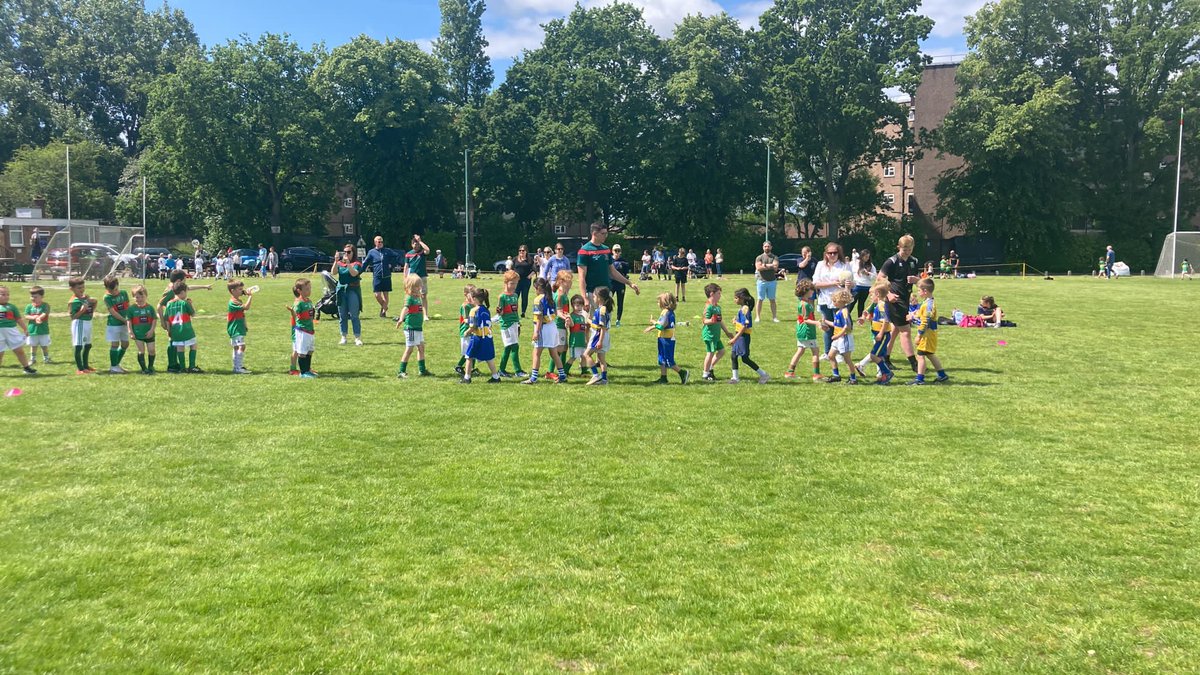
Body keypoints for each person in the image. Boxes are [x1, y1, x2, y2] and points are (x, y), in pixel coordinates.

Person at [878, 234, 921, 372]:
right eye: (904, 249)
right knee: (906, 331)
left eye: (909, 249)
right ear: (899, 247)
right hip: (895, 300)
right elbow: (880, 278)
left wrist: (916, 280)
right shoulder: (891, 261)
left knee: (895, 330)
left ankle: (885, 357)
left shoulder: (914, 261)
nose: (907, 252)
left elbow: (920, 279)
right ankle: (914, 363)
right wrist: (888, 294)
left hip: (905, 299)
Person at [575, 223, 639, 306]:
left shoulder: (606, 249)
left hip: (606, 292)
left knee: (606, 318)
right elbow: (581, 277)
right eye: (603, 233)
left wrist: (629, 283)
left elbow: (613, 272)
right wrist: (584, 297)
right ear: (594, 233)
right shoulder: (584, 251)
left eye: (606, 233)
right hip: (592, 293)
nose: (605, 236)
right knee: (593, 319)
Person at [523, 277, 568, 384]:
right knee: (554, 353)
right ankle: (562, 375)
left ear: (538, 288)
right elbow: (555, 313)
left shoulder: (538, 299)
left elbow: (539, 318)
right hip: (553, 326)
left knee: (536, 353)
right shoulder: (550, 297)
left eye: (535, 288)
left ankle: (533, 378)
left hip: (544, 328)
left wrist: (536, 332)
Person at [910, 278, 949, 385]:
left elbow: (925, 321)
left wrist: (919, 335)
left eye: (919, 290)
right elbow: (921, 315)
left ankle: (920, 379)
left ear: (925, 291)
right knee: (930, 354)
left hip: (926, 334)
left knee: (920, 355)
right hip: (930, 333)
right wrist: (913, 315)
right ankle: (942, 375)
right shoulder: (927, 302)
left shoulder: (928, 305)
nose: (918, 292)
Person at [644, 292, 688, 384]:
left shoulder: (666, 313)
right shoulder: (668, 312)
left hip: (667, 339)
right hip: (663, 338)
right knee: (661, 359)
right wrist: (653, 325)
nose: (657, 303)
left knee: (668, 360)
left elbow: (661, 326)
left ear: (665, 302)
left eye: (659, 301)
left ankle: (682, 373)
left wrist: (652, 324)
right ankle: (663, 378)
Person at [813, 242, 850, 354]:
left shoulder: (844, 265)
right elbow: (815, 283)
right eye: (830, 253)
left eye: (835, 253)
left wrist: (849, 284)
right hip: (824, 300)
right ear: (826, 254)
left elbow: (853, 282)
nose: (832, 255)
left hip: (839, 301)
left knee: (839, 327)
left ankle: (839, 352)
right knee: (827, 327)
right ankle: (827, 352)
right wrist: (832, 283)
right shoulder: (820, 265)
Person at [461, 287, 502, 384]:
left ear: (474, 298)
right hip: (488, 337)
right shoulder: (486, 310)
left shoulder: (473, 310)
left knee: (469, 356)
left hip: (477, 337)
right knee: (489, 358)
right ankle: (495, 377)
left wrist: (466, 332)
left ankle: (467, 377)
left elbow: (473, 326)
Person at [785, 279, 822, 382]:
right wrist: (817, 323)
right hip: (807, 331)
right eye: (811, 290)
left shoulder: (804, 302)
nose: (813, 292)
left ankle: (790, 372)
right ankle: (816, 374)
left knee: (800, 350)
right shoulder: (804, 304)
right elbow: (806, 320)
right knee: (815, 351)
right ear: (806, 291)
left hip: (802, 330)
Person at [729, 288, 769, 384]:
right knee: (733, 355)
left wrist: (735, 338)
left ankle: (764, 374)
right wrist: (736, 322)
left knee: (745, 358)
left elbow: (745, 326)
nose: (734, 300)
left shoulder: (745, 309)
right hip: (740, 335)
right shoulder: (743, 308)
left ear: (742, 298)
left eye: (736, 298)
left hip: (743, 337)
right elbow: (742, 324)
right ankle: (735, 378)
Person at [860, 283, 896, 385]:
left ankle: (887, 373)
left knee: (873, 355)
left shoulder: (881, 305)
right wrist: (869, 318)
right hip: (879, 334)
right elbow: (878, 319)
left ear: (878, 294)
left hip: (883, 335)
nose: (871, 297)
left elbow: (886, 320)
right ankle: (883, 376)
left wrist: (880, 333)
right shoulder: (878, 305)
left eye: (872, 295)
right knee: (879, 356)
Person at [396, 274, 430, 377]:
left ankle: (422, 370)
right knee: (410, 349)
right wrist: (401, 319)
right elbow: (405, 308)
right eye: (417, 286)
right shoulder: (409, 298)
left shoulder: (417, 298)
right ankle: (401, 371)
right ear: (410, 286)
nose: (420, 288)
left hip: (418, 328)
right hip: (410, 328)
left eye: (420, 285)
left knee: (421, 347)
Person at [822, 288, 858, 384]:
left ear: (842, 301)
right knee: (830, 356)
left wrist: (837, 336)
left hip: (844, 338)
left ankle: (853, 379)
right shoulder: (838, 311)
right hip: (838, 338)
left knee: (847, 359)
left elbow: (847, 326)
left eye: (835, 300)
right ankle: (836, 375)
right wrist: (825, 321)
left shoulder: (844, 311)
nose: (833, 302)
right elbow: (836, 324)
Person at [165, 280, 200, 373]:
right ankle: (192, 366)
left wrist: (168, 330)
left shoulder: (169, 304)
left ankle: (182, 368)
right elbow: (193, 314)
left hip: (175, 331)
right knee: (193, 345)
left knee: (180, 347)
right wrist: (190, 303)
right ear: (183, 292)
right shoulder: (184, 303)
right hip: (186, 329)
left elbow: (166, 319)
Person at [700, 282, 733, 382]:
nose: (720, 295)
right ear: (711, 294)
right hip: (709, 334)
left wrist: (727, 332)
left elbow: (720, 321)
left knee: (722, 351)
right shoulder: (708, 307)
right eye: (718, 293)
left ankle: (710, 368)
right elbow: (704, 320)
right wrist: (711, 321)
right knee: (710, 353)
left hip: (716, 335)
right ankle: (705, 374)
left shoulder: (718, 307)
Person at [495, 271, 525, 378]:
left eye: (516, 284)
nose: (514, 286)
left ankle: (502, 370)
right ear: (506, 283)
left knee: (509, 347)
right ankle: (518, 371)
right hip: (506, 325)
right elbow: (501, 313)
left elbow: (515, 311)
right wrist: (499, 311)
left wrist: (518, 323)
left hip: (514, 324)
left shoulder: (515, 295)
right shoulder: (502, 297)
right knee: (514, 346)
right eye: (512, 283)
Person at [0, 286, 37, 374]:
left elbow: (18, 319)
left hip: (11, 331)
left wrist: (25, 329)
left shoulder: (11, 307)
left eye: (7, 294)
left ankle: (26, 367)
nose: (6, 296)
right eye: (3, 294)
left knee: (19, 350)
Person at [363, 236, 401, 318]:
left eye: (381, 241)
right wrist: (359, 271)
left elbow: (397, 256)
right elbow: (365, 262)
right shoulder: (371, 252)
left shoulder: (387, 251)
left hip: (386, 275)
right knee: (377, 294)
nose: (380, 243)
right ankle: (385, 306)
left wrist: (392, 264)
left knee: (386, 294)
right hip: (377, 275)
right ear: (375, 242)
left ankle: (383, 312)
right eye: (378, 241)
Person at [333, 244, 364, 346]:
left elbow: (354, 273)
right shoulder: (340, 263)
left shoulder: (357, 263)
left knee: (354, 315)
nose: (346, 254)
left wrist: (348, 263)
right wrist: (336, 261)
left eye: (349, 252)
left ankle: (357, 337)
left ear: (353, 253)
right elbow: (333, 272)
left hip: (352, 290)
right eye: (344, 252)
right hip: (341, 290)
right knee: (342, 315)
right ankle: (343, 336)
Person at [583, 286, 615, 385]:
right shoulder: (602, 309)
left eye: (594, 297)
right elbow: (596, 324)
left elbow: (602, 327)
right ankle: (604, 380)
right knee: (601, 359)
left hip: (599, 336)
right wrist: (586, 318)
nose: (593, 298)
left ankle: (596, 375)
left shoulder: (601, 310)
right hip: (604, 335)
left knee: (586, 355)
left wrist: (600, 341)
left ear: (599, 298)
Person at [222, 279, 254, 374]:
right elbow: (246, 307)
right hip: (235, 328)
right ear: (233, 291)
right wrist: (250, 296)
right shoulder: (233, 302)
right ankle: (238, 367)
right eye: (239, 289)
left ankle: (236, 366)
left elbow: (241, 314)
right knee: (242, 346)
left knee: (236, 347)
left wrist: (244, 324)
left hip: (238, 327)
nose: (241, 291)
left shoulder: (237, 300)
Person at [102, 275, 131, 374]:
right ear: (106, 288)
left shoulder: (124, 293)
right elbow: (113, 312)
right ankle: (114, 366)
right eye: (111, 291)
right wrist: (124, 320)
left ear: (118, 285)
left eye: (115, 290)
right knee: (115, 344)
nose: (114, 292)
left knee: (125, 344)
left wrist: (129, 318)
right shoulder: (107, 297)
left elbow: (128, 306)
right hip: (114, 324)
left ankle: (115, 364)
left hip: (125, 322)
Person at [67, 277, 96, 374]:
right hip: (79, 324)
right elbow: (73, 316)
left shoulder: (85, 298)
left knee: (88, 345)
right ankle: (80, 368)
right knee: (79, 346)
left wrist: (93, 305)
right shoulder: (73, 301)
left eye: (83, 287)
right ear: (72, 289)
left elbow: (90, 310)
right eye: (79, 288)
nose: (82, 289)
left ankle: (86, 366)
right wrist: (82, 310)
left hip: (87, 322)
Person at [127, 285, 157, 374]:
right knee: (141, 350)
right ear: (133, 297)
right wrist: (131, 332)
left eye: (142, 297)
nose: (139, 299)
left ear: (146, 296)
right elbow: (129, 321)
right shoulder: (131, 309)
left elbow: (154, 320)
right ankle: (144, 369)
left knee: (151, 350)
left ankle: (151, 366)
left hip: (149, 334)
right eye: (137, 297)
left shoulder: (150, 308)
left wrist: (151, 330)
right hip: (138, 334)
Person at [291, 278, 317, 378]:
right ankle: (303, 372)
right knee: (302, 351)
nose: (309, 290)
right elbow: (296, 314)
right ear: (299, 291)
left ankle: (308, 369)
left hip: (310, 330)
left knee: (310, 350)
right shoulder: (298, 302)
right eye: (306, 289)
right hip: (302, 330)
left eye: (310, 288)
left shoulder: (309, 301)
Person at [402, 234, 431, 321]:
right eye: (415, 243)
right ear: (412, 244)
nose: (416, 245)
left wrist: (420, 241)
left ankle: (425, 315)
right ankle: (409, 312)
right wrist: (405, 277)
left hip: (422, 277)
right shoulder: (408, 254)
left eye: (417, 243)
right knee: (410, 295)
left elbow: (428, 250)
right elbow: (406, 266)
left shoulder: (422, 252)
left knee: (423, 295)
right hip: (411, 278)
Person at [754, 241, 781, 322]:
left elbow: (775, 267)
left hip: (772, 281)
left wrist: (764, 265)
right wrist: (770, 266)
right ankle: (758, 317)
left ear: (771, 247)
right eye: (765, 246)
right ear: (763, 247)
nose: (767, 248)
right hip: (761, 281)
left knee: (772, 299)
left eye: (768, 246)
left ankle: (774, 317)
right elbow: (758, 268)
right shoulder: (759, 257)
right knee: (760, 299)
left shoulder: (774, 257)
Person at [453, 284, 476, 376]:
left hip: (473, 331)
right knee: (468, 352)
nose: (473, 296)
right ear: (465, 294)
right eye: (471, 294)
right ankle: (459, 366)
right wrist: (475, 322)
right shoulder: (465, 306)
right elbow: (466, 319)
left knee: (473, 350)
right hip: (466, 332)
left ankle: (472, 369)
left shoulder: (474, 305)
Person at [24, 286, 51, 364]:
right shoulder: (29, 306)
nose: (33, 298)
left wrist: (39, 318)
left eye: (35, 296)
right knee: (33, 345)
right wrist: (33, 317)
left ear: (41, 297)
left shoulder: (45, 305)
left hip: (43, 330)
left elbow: (45, 313)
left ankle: (46, 358)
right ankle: (33, 359)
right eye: (31, 296)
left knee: (44, 345)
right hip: (32, 330)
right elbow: (26, 316)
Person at [565, 294, 590, 376]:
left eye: (581, 305)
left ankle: (584, 371)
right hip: (574, 341)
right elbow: (571, 325)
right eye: (577, 305)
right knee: (573, 357)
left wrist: (586, 340)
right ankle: (565, 371)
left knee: (583, 356)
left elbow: (585, 329)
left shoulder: (582, 317)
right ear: (572, 305)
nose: (579, 307)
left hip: (581, 341)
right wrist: (569, 318)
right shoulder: (572, 316)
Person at [553, 270, 572, 371]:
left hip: (564, 325)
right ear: (560, 281)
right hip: (558, 325)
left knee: (564, 347)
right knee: (558, 350)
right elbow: (558, 312)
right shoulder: (559, 295)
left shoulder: (564, 294)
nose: (570, 283)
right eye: (567, 281)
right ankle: (551, 371)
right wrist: (567, 317)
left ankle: (564, 370)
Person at [850, 248, 876, 320]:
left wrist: (868, 273)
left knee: (861, 303)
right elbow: (849, 270)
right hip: (857, 285)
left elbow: (875, 276)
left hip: (866, 286)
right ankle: (847, 315)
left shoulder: (870, 265)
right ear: (862, 256)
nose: (867, 258)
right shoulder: (855, 263)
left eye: (868, 257)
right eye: (865, 256)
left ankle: (860, 317)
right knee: (852, 301)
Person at [610, 244, 631, 326]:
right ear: (612, 251)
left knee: (620, 302)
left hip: (620, 284)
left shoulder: (624, 262)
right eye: (615, 250)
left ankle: (618, 320)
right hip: (611, 284)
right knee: (608, 301)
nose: (617, 252)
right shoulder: (609, 260)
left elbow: (625, 274)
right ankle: (607, 319)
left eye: (618, 251)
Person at [512, 246, 534, 316]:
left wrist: (529, 276)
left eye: (523, 250)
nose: (521, 252)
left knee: (524, 296)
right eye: (520, 250)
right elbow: (511, 268)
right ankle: (514, 311)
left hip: (526, 281)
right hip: (516, 281)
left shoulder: (530, 260)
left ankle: (523, 312)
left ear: (526, 251)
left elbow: (534, 269)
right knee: (515, 296)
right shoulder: (515, 259)